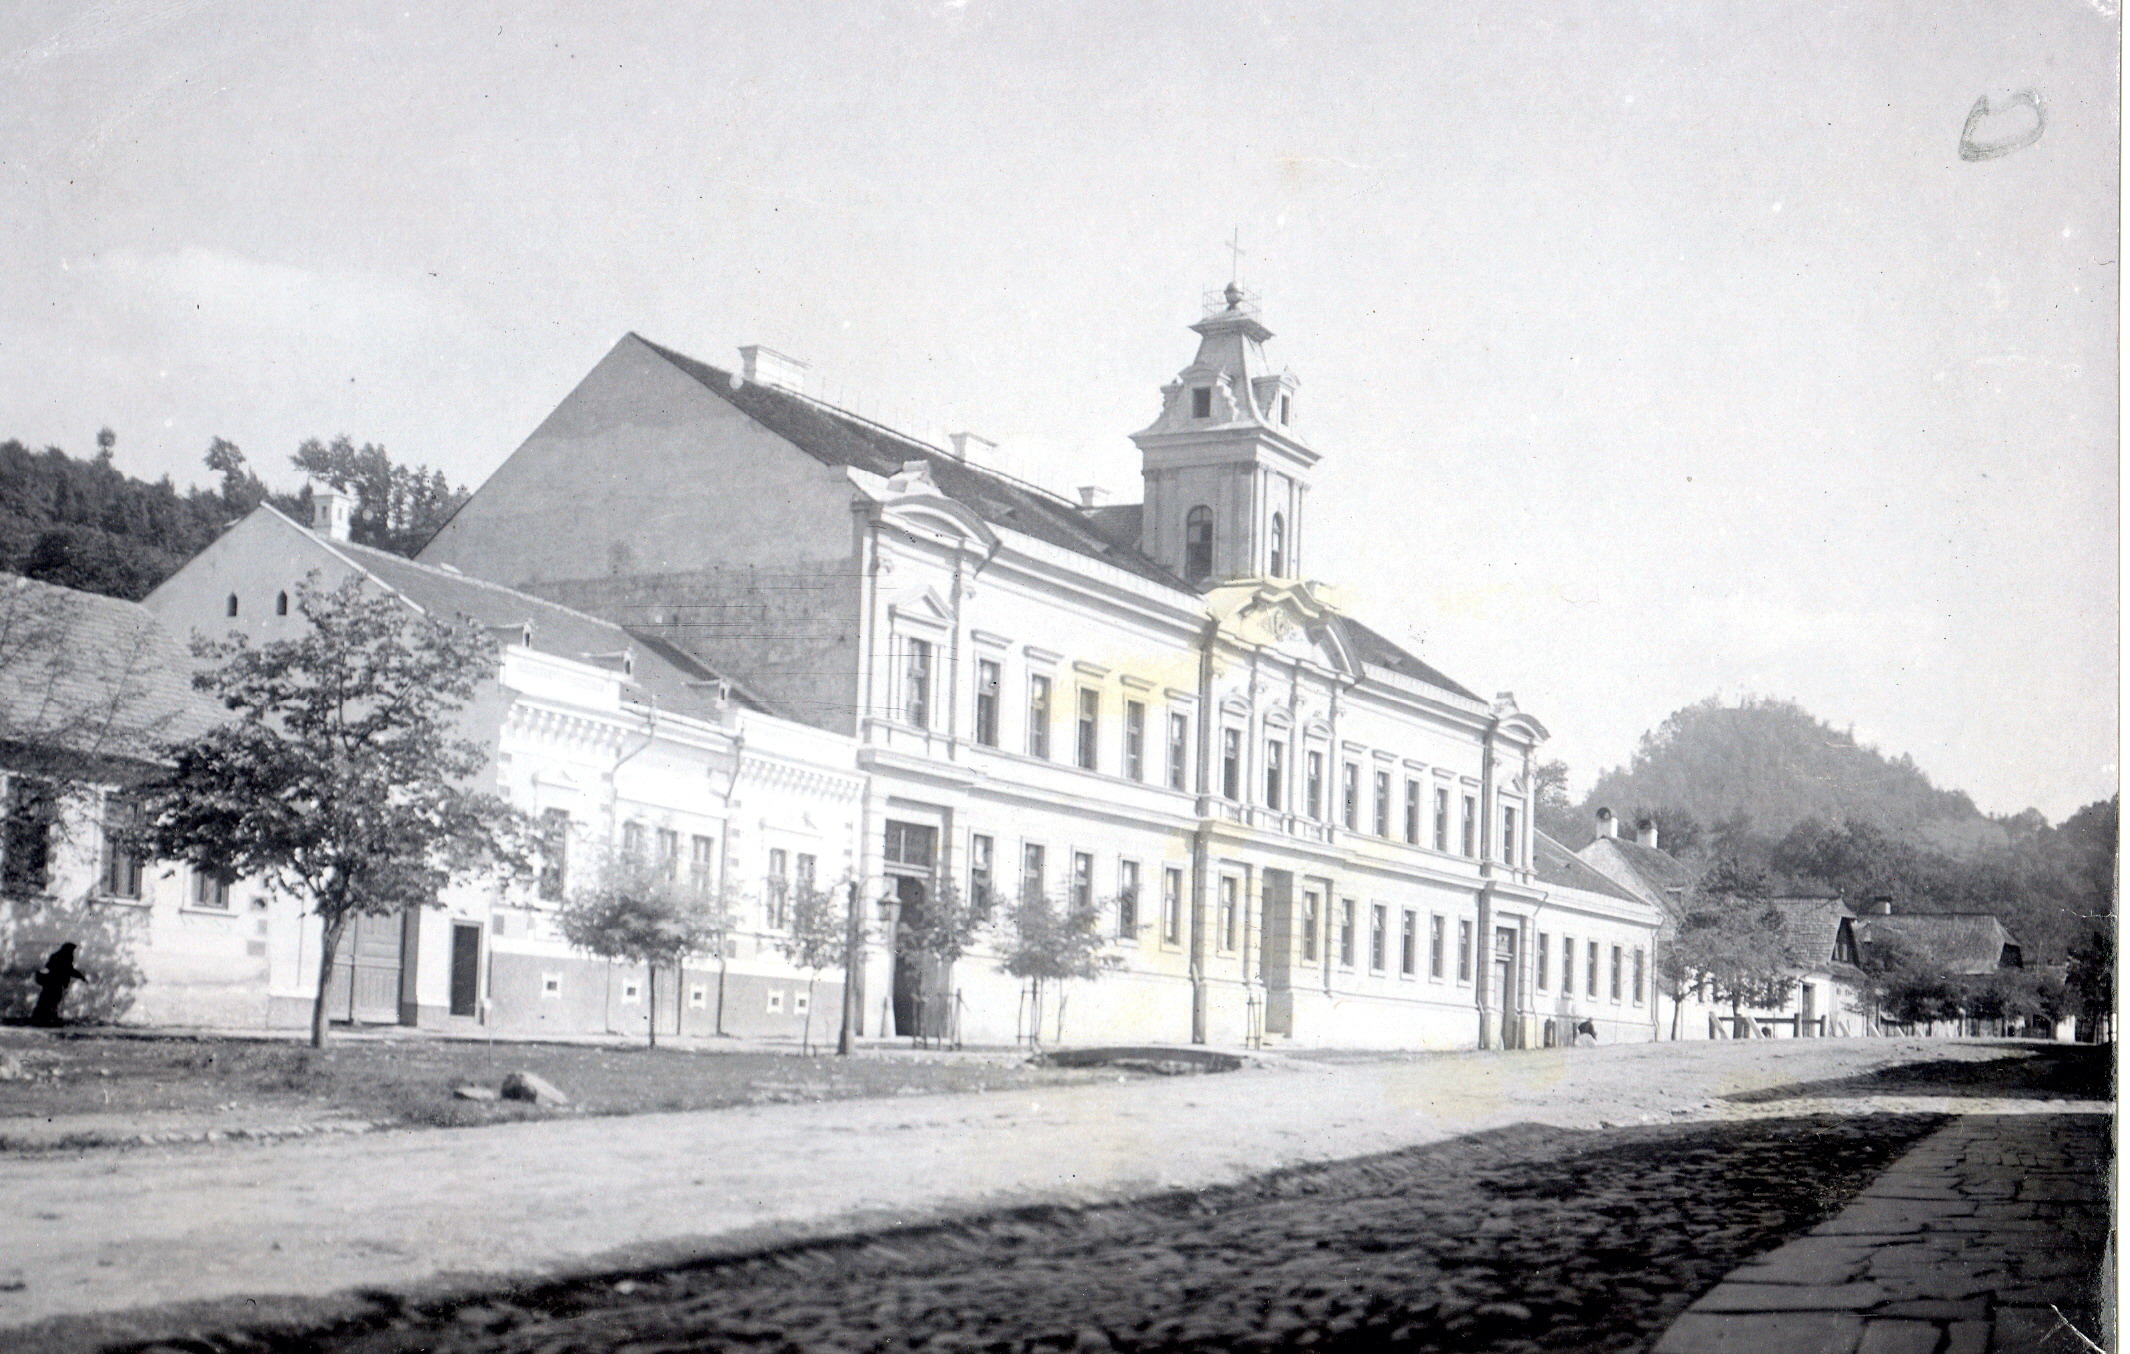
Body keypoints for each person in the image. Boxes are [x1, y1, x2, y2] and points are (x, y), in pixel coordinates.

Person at [29, 943, 91, 1027]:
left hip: (54, 984)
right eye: (72, 951)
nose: (73, 953)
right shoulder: (62, 957)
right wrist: (82, 977)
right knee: (49, 1001)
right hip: (54, 984)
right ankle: (43, 1017)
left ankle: (44, 1017)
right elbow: (69, 970)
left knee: (49, 1001)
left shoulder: (59, 956)